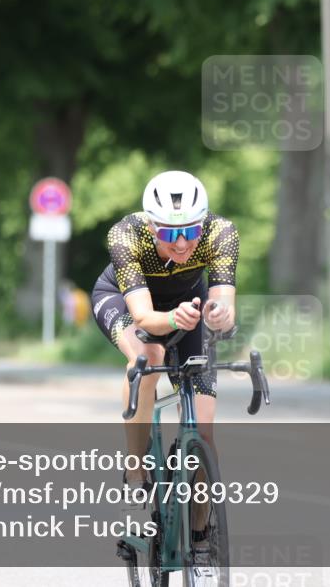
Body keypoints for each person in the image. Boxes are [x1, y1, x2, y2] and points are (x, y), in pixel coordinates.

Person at [90, 171, 238, 500]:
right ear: (153, 225)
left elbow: (224, 303)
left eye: (190, 231)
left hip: (188, 304)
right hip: (126, 300)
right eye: (170, 232)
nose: (182, 243)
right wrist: (172, 318)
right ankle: (135, 470)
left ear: (203, 223)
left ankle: (200, 540)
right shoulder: (126, 234)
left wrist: (220, 314)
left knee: (203, 431)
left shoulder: (220, 232)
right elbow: (143, 317)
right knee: (148, 356)